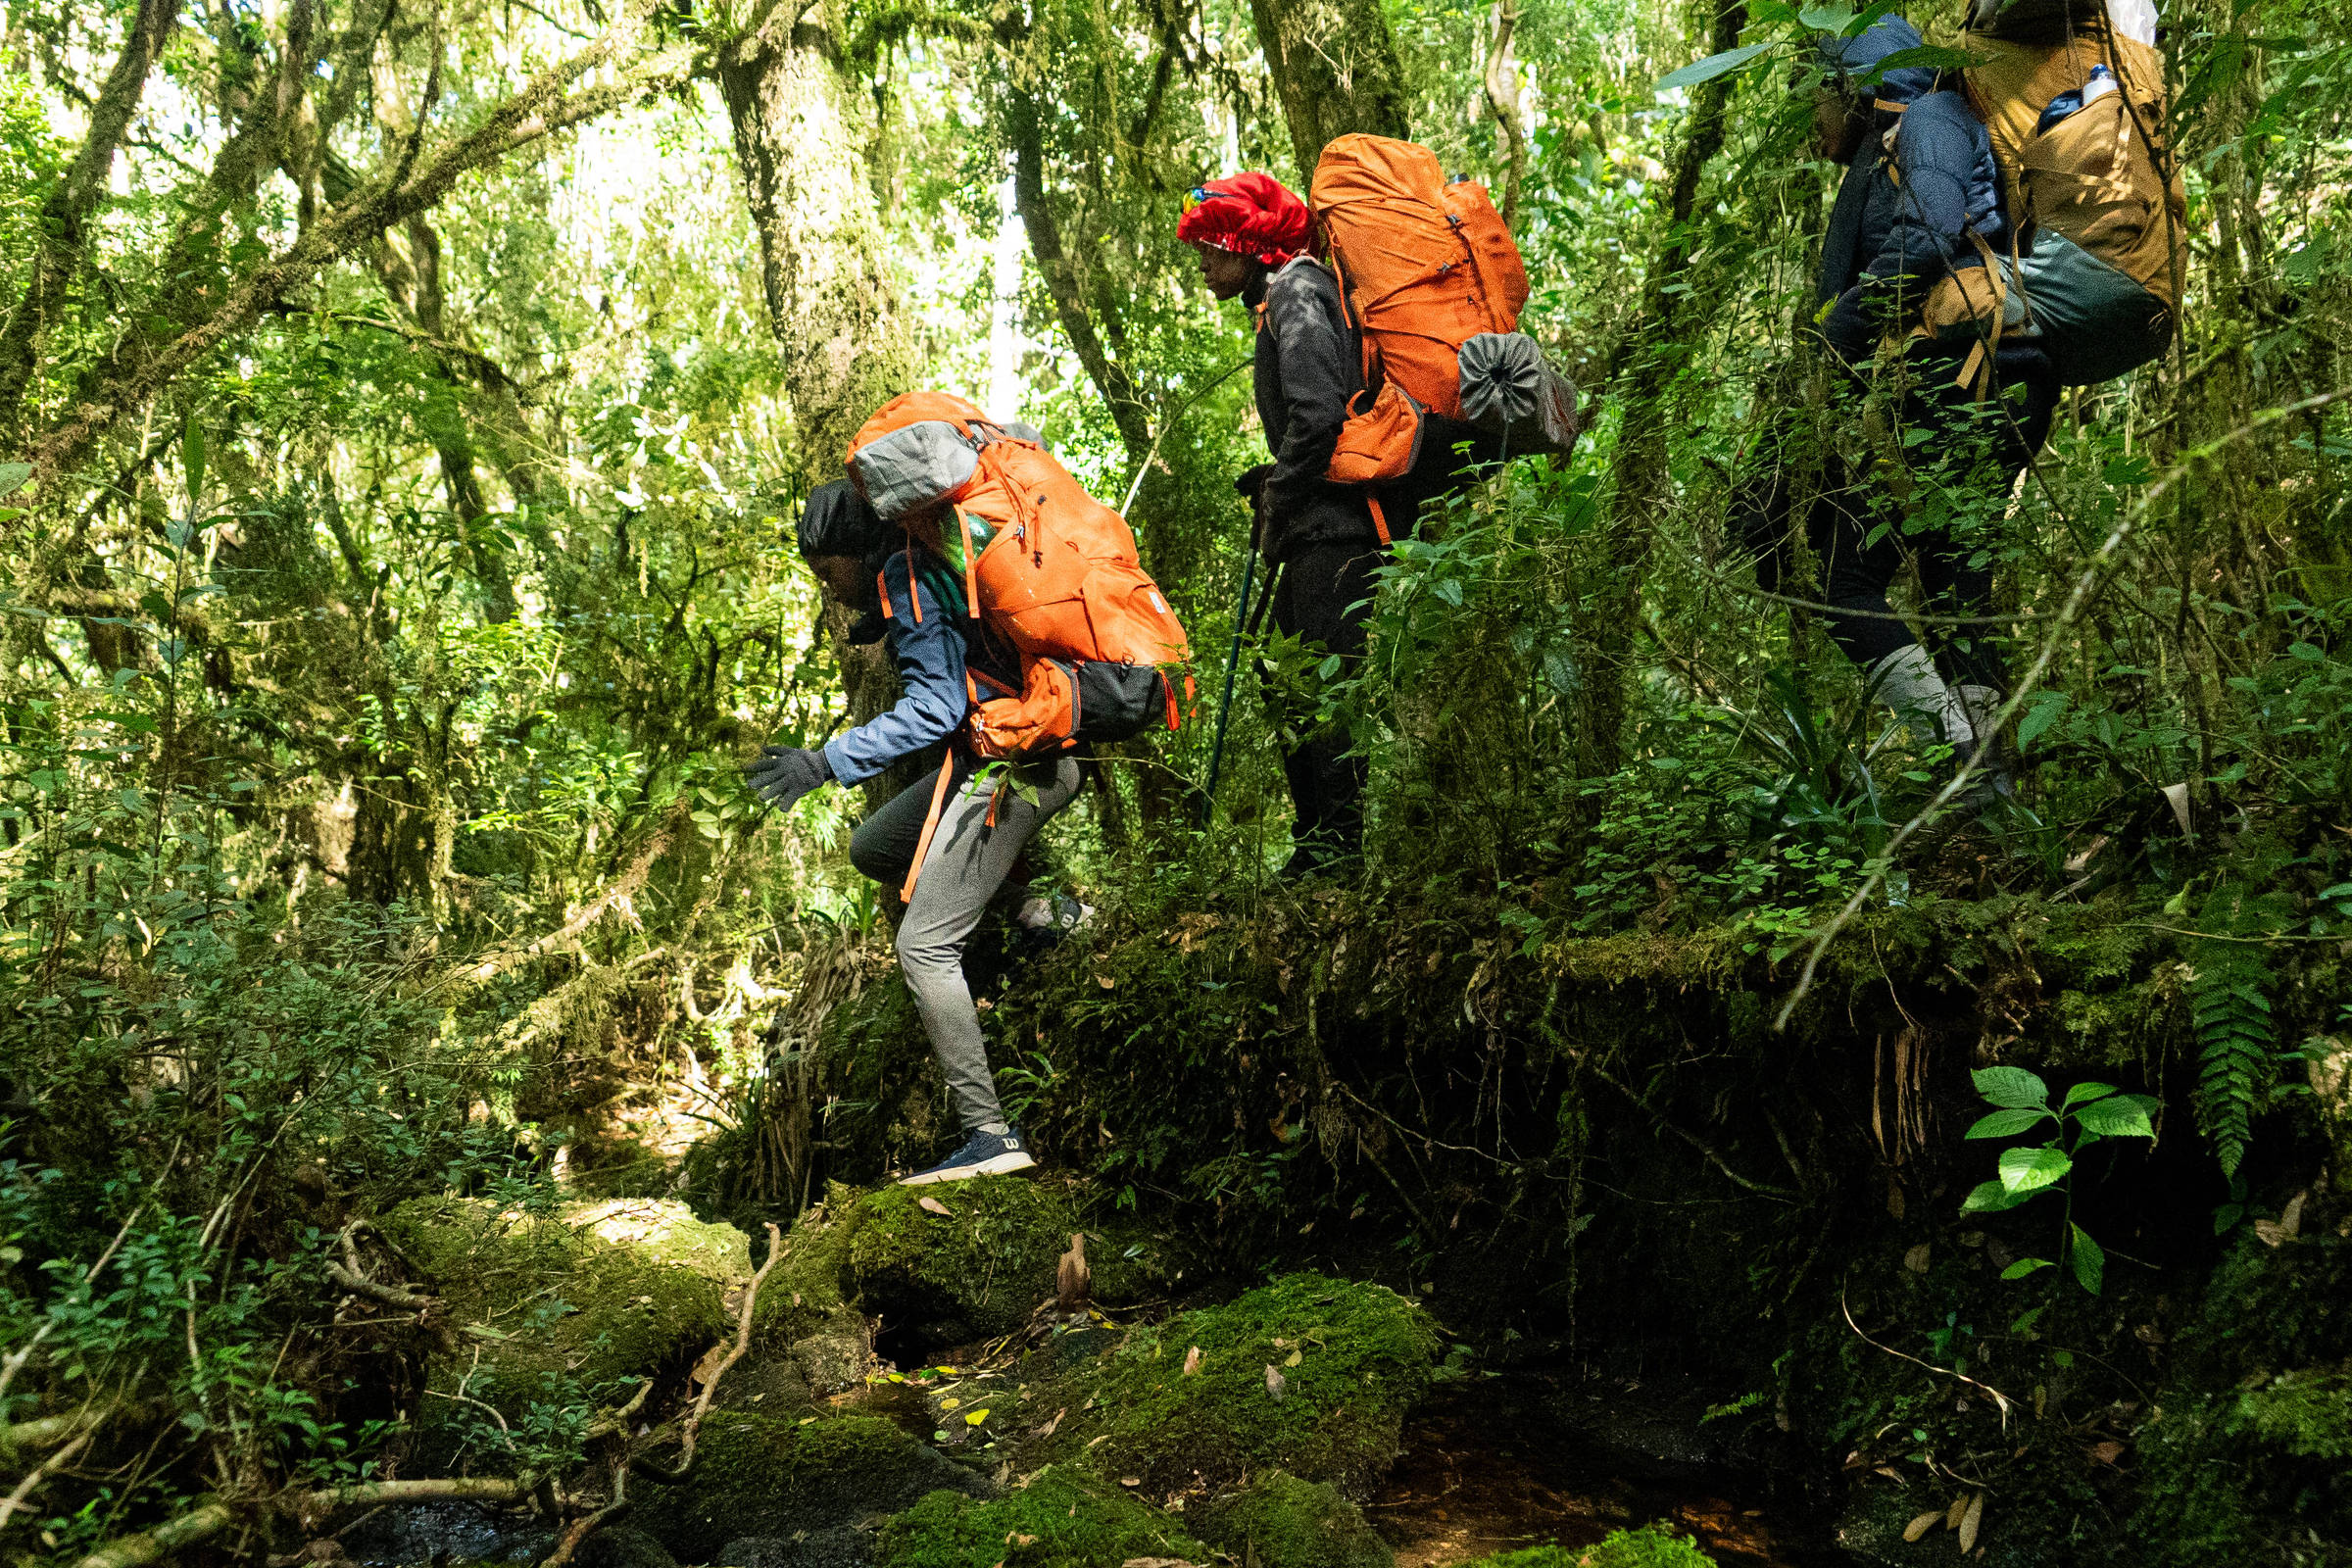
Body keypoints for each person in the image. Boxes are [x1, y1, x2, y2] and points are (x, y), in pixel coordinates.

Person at [748, 477, 1080, 1185]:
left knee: (924, 947)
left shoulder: (909, 572)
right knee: (874, 846)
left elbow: (931, 709)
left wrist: (826, 763)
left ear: (850, 551)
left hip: (1018, 763)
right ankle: (1048, 914)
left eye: (823, 568)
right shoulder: (921, 568)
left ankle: (989, 1136)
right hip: (1005, 758)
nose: (826, 587)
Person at [1772, 15, 2061, 794]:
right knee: (1953, 588)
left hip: (1967, 383)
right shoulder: (1895, 140)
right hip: (1968, 381)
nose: (1810, 127)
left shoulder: (1929, 121)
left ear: (1849, 83)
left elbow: (1929, 238)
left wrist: (1833, 335)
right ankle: (1991, 786)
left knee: (1841, 578)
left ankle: (1962, 760)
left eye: (1813, 102)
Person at [1180, 173, 1383, 878]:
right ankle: (1318, 845)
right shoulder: (1280, 299)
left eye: (1209, 247)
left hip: (1338, 531)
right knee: (1290, 683)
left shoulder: (1297, 289)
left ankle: (1340, 857)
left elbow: (1320, 414)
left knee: (1321, 690)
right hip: (1315, 530)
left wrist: (1280, 496)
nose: (1202, 263)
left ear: (1245, 242)